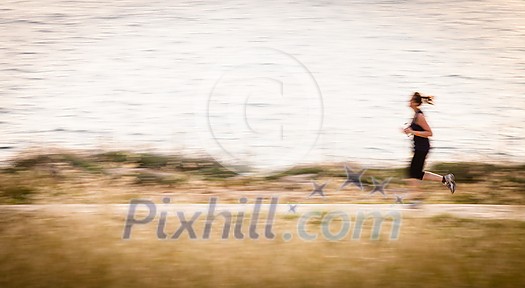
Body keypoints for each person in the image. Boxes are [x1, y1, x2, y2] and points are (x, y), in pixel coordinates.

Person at [403, 92, 456, 198]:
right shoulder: (415, 115)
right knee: (416, 174)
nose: (409, 101)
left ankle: (417, 198)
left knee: (413, 174)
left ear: (414, 103)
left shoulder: (419, 116)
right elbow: (417, 130)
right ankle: (445, 179)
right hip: (419, 148)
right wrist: (408, 130)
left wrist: (412, 132)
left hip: (422, 148)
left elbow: (429, 133)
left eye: (411, 100)